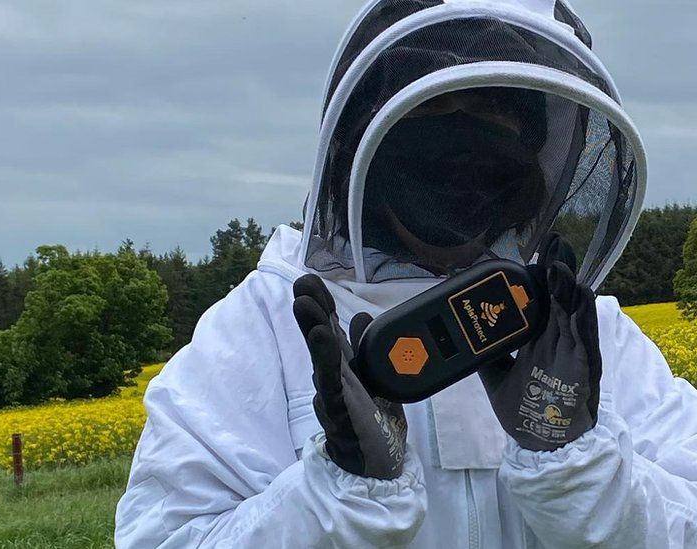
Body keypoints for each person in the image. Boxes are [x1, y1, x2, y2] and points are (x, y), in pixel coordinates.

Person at [115, 1, 697, 547]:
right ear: (364, 135)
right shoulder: (264, 327)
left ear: (534, 147)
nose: (463, 140)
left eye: (493, 108)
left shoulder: (583, 334)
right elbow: (164, 535)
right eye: (435, 108)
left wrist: (579, 466)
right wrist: (335, 495)